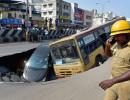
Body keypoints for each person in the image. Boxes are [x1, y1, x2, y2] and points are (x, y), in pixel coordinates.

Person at [99, 20, 130, 100]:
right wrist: (107, 46)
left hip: (126, 85)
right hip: (112, 80)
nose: (115, 38)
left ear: (127, 34)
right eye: (114, 36)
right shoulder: (118, 44)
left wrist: (112, 81)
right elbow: (109, 55)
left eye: (117, 35)